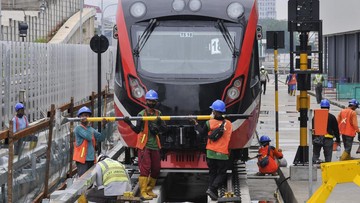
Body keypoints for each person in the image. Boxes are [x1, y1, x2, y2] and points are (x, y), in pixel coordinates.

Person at [123, 89, 167, 200]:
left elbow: (164, 128)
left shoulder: (158, 114)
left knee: (156, 168)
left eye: (153, 101)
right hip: (144, 145)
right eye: (149, 101)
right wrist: (129, 123)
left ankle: (149, 189)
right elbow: (137, 130)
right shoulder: (141, 114)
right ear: (146, 101)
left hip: (155, 145)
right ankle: (143, 191)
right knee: (145, 169)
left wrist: (158, 127)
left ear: (156, 102)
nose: (151, 103)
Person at [191, 100, 232, 201]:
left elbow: (201, 133)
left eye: (213, 110)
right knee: (222, 173)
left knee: (212, 172)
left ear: (214, 111)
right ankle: (212, 189)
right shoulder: (229, 124)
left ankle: (211, 190)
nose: (212, 112)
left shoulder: (209, 123)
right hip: (222, 154)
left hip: (210, 153)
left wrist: (196, 123)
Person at [73, 106, 108, 177]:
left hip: (91, 159)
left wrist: (103, 127)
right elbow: (88, 137)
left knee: (90, 179)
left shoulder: (91, 129)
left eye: (86, 115)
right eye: (82, 115)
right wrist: (86, 125)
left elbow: (101, 138)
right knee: (83, 180)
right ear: (79, 117)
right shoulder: (78, 128)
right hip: (82, 160)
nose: (84, 117)